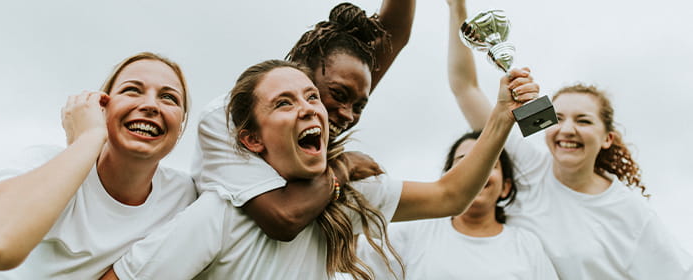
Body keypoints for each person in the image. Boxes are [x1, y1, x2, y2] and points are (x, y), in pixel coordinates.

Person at [103, 58, 538, 279]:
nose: (309, 109)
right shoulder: (220, 213)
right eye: (284, 103)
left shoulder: (346, 201)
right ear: (252, 140)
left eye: (312, 97)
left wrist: (501, 116)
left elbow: (450, 195)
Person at [446, 0, 693, 278]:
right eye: (559, 118)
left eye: (584, 121)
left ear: (607, 138)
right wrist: (457, 9)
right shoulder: (527, 167)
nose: (567, 130)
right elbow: (464, 87)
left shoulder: (631, 213)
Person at [0, 52, 197, 279]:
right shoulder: (44, 162)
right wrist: (89, 138)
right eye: (132, 90)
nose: (151, 105)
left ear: (181, 124)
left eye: (169, 98)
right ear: (102, 107)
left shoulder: (183, 196)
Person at [191, 1, 415, 241]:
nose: (348, 115)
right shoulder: (225, 116)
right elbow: (284, 218)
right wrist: (345, 165)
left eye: (359, 105)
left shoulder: (331, 109)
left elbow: (394, 33)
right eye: (338, 95)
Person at [357, 131, 558, 279]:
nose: (476, 174)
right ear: (449, 177)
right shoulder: (413, 233)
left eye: (490, 164)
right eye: (464, 162)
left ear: (505, 187)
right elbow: (348, 256)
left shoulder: (526, 245)